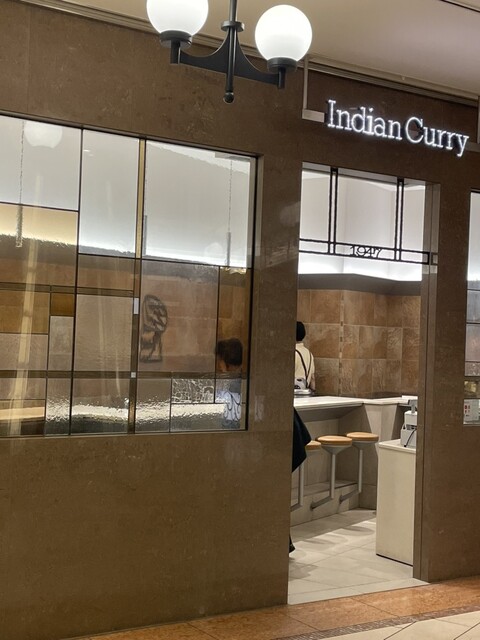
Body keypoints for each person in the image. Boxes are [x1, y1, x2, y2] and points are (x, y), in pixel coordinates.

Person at [215, 338, 243, 429]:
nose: (218, 364)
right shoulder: (238, 380)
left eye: (220, 360)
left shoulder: (236, 383)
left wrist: (225, 374)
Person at [294, 321, 315, 392]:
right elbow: (312, 378)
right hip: (304, 393)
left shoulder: (291, 353)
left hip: (292, 394)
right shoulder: (309, 353)